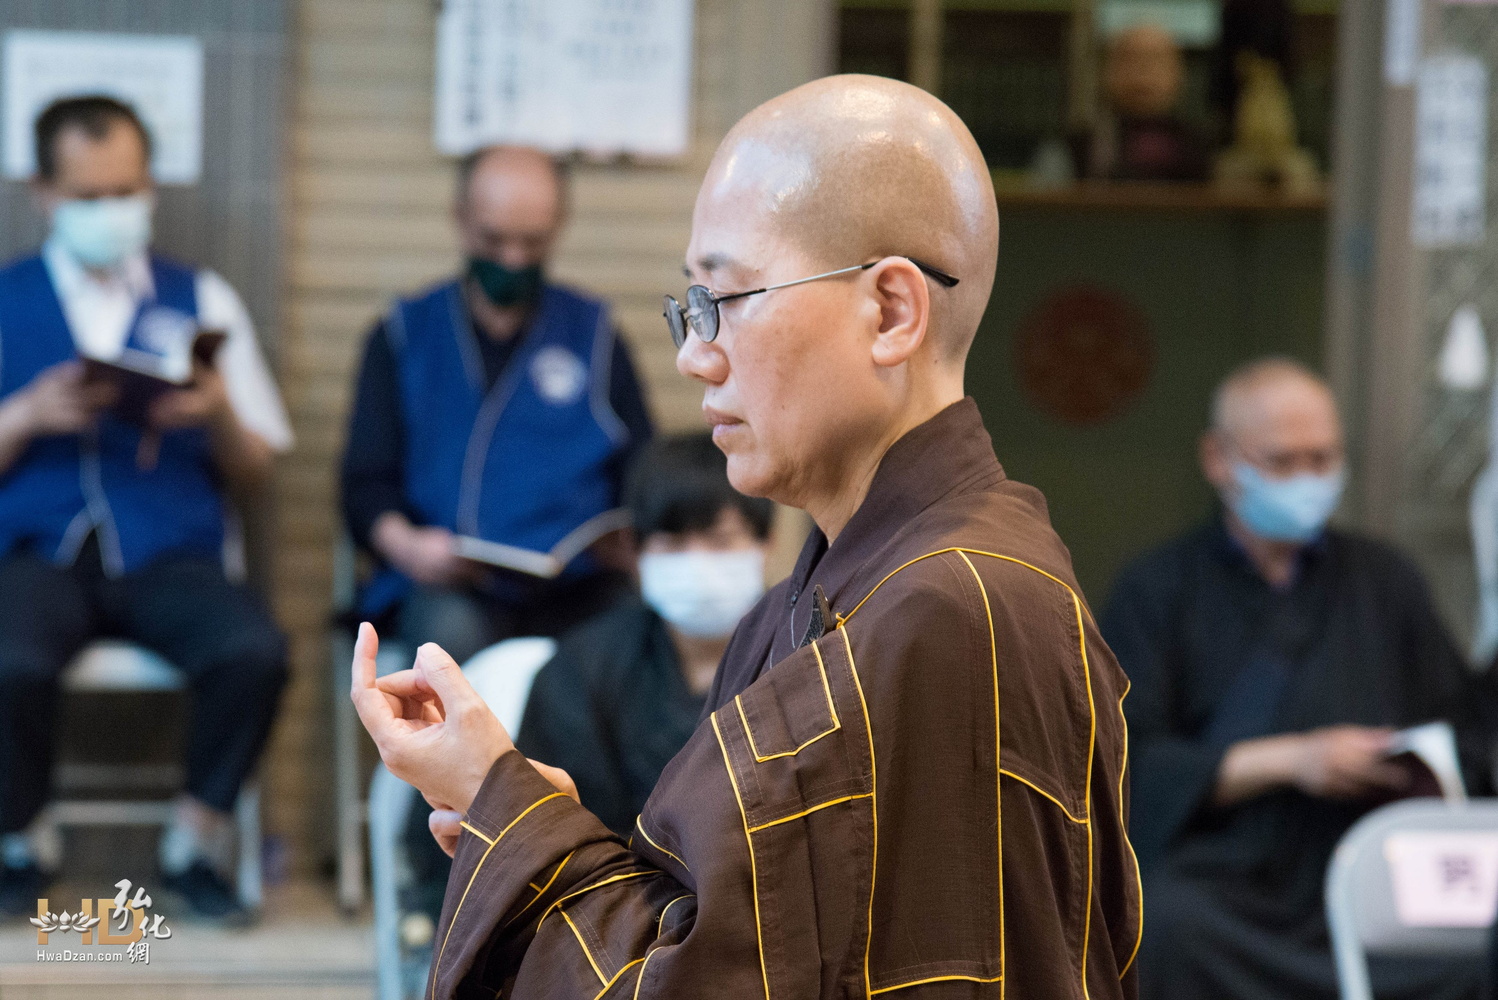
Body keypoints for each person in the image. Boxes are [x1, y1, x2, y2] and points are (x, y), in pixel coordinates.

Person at [354, 74, 1140, 1000]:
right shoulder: (828, 598)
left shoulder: (951, 612)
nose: (694, 353)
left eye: (726, 298)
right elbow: (720, 925)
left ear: (890, 311)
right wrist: (515, 808)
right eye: (688, 309)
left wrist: (509, 811)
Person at [1103, 357, 1496, 1000]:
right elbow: (1127, 764)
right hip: (1227, 885)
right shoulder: (1158, 590)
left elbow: (1464, 736)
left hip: (1369, 868)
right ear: (1219, 460)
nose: (1309, 480)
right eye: (1283, 463)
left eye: (1324, 460)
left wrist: (1406, 762)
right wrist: (1293, 761)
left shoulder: (1384, 578)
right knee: (1163, 928)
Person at [0, 96, 293, 920]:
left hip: (171, 553)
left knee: (255, 651)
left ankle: (196, 840)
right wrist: (25, 415)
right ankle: (20, 836)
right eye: (89, 195)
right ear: (43, 192)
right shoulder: (7, 297)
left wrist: (216, 410)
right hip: (38, 555)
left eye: (125, 191)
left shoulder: (201, 298)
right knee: (7, 660)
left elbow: (258, 466)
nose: (111, 211)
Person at [402, 431, 774, 932]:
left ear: (765, 544)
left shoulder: (803, 656)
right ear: (636, 552)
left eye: (720, 540)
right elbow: (550, 832)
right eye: (674, 543)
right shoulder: (582, 668)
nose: (699, 562)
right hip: (603, 927)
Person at [340, 145, 653, 665]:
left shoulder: (596, 336)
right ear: (460, 221)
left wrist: (634, 538)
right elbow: (364, 483)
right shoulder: (402, 335)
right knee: (448, 643)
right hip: (448, 587)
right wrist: (408, 548)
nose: (512, 260)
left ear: (558, 227)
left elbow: (642, 470)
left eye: (532, 242)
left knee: (631, 643)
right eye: (494, 239)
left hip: (578, 589)